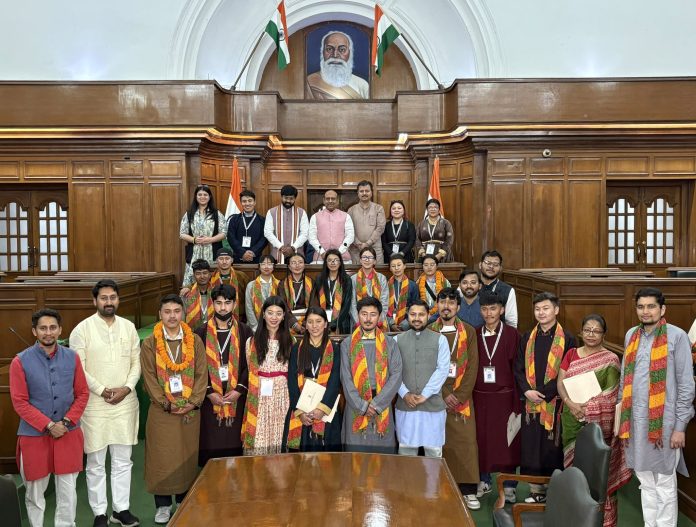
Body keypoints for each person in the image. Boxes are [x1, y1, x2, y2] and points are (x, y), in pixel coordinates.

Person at [618, 288, 695, 527]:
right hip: (635, 424)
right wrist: (623, 421)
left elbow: (686, 385)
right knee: (645, 481)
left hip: (664, 424)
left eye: (651, 306)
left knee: (664, 483)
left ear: (662, 309)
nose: (645, 311)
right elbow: (624, 382)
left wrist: (680, 426)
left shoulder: (677, 336)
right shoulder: (632, 335)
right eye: (641, 307)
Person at [69, 280, 141, 527]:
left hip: (125, 403)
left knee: (123, 460)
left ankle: (121, 510)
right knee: (96, 462)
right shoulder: (81, 330)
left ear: (118, 300)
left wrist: (127, 388)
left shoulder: (129, 327)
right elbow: (79, 368)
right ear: (95, 301)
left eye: (113, 297)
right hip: (95, 405)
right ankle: (100, 513)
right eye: (104, 298)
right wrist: (102, 390)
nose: (109, 302)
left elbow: (136, 363)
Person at [10, 309, 89, 527]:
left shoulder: (72, 357)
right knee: (35, 493)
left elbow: (82, 394)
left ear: (60, 330)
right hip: (33, 436)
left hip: (68, 433)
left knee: (68, 491)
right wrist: (48, 425)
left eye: (52, 327)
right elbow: (19, 402)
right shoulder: (20, 361)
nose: (48, 332)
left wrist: (64, 423)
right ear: (34, 331)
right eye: (43, 328)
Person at [558, 314, 631, 527]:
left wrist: (588, 409)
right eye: (587, 330)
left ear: (603, 334)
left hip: (597, 427)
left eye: (596, 331)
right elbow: (561, 383)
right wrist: (570, 404)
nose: (591, 334)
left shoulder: (610, 359)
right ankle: (574, 518)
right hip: (571, 420)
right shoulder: (571, 354)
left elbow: (612, 396)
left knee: (599, 476)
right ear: (581, 331)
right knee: (573, 471)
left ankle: (602, 521)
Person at [140, 294, 207, 524]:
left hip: (190, 410)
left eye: (176, 311)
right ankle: (162, 505)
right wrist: (166, 403)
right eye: (167, 311)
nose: (172, 316)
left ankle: (183, 500)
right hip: (162, 412)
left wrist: (193, 401)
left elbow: (201, 374)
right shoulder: (150, 343)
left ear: (183, 313)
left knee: (186, 456)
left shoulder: (194, 341)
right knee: (161, 457)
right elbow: (149, 378)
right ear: (160, 314)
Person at [514, 292, 575, 504]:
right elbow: (518, 368)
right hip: (531, 403)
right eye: (538, 309)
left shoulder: (568, 339)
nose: (541, 313)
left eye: (546, 308)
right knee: (532, 448)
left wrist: (546, 393)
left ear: (556, 310)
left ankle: (555, 491)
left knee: (552, 448)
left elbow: (568, 371)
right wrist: (527, 391)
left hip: (555, 403)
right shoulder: (527, 337)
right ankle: (535, 490)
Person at [429, 288, 480, 510]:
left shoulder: (468, 331)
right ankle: (440, 486)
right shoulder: (430, 331)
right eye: (442, 301)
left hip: (462, 398)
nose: (446, 306)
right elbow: (426, 368)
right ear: (437, 305)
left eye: (451, 302)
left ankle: (468, 490)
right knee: (438, 444)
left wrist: (458, 396)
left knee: (465, 443)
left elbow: (473, 368)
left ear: (458, 307)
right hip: (435, 396)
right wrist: (443, 394)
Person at [194, 284, 253, 464]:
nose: (223, 308)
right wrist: (210, 392)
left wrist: (238, 390)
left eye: (227, 303)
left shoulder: (245, 331)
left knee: (234, 447)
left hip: (237, 397)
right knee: (211, 445)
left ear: (234, 305)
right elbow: (197, 367)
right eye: (218, 303)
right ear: (213, 304)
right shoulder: (200, 333)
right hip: (210, 399)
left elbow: (250, 365)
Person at [472, 291, 521, 504]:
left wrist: (517, 401)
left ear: (501, 310)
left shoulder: (513, 335)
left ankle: (509, 485)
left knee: (508, 442)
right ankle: (484, 480)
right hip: (480, 398)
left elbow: (519, 370)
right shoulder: (474, 333)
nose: (488, 313)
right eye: (484, 308)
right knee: (481, 441)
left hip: (505, 396)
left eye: (493, 308)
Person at [341, 297, 402, 453]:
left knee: (383, 458)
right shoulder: (347, 344)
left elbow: (396, 375)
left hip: (382, 402)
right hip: (356, 405)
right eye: (364, 314)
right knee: (355, 456)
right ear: (358, 315)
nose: (368, 319)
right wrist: (362, 406)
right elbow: (345, 378)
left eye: (373, 314)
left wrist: (376, 405)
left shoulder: (390, 343)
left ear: (380, 316)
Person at [394, 300, 450, 458]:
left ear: (428, 316)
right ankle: (407, 484)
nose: (417, 318)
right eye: (413, 314)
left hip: (432, 406)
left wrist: (425, 395)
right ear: (407, 317)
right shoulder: (397, 340)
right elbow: (393, 372)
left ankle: (433, 484)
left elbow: (443, 369)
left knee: (433, 452)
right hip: (406, 405)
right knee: (406, 451)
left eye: (421, 314)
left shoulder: (440, 340)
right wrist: (405, 394)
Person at [241, 296, 294, 455]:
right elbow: (249, 368)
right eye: (270, 313)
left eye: (278, 313)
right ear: (263, 314)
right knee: (258, 437)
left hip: (282, 396)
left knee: (279, 438)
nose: (274, 317)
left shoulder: (291, 341)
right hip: (259, 396)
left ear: (284, 316)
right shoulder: (252, 341)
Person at [284, 307, 342, 451]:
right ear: (305, 325)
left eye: (318, 321)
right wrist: (300, 412)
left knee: (327, 459)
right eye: (310, 322)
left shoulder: (335, 349)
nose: (314, 326)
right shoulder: (297, 348)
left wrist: (322, 409)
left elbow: (335, 381)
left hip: (326, 409)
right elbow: (292, 381)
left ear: (326, 324)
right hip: (303, 407)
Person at [179, 184, 227, 287]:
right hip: (194, 252)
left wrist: (211, 239)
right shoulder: (189, 213)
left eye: (205, 194)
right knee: (191, 282)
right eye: (199, 194)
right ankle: (192, 302)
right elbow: (182, 233)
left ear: (209, 197)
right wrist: (194, 239)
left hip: (212, 251)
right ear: (196, 197)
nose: (202, 197)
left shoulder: (216, 213)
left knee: (212, 280)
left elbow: (224, 233)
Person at [180, 249, 241, 321]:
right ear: (216, 260)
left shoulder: (241, 276)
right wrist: (188, 287)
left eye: (227, 258)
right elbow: (199, 283)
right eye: (221, 259)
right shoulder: (213, 278)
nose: (202, 276)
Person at [306, 30, 369, 100]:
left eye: (342, 49)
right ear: (323, 52)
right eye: (329, 49)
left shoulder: (362, 85)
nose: (335, 55)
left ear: (349, 53)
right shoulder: (309, 82)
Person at [309, 249, 353, 334]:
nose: (333, 263)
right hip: (321, 319)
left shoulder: (346, 280)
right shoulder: (320, 279)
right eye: (329, 260)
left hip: (341, 321)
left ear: (340, 263)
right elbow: (314, 301)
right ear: (326, 263)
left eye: (336, 260)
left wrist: (335, 323)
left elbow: (347, 305)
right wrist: (320, 319)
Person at [264, 185, 309, 264]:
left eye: (291, 198)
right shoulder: (271, 212)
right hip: (276, 255)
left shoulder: (302, 212)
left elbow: (305, 233)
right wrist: (281, 247)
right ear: (281, 197)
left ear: (295, 198)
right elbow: (268, 233)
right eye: (286, 198)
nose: (288, 200)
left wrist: (293, 247)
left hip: (297, 254)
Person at [308, 189, 355, 263]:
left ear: (337, 201)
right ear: (324, 200)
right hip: (320, 258)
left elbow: (350, 236)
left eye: (333, 199)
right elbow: (312, 237)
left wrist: (339, 252)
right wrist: (323, 253)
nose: (330, 201)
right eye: (327, 199)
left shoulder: (346, 216)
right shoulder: (315, 217)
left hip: (342, 258)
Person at [347, 180, 386, 263]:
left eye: (367, 191)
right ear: (358, 193)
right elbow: (348, 229)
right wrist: (358, 243)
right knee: (357, 275)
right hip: (356, 250)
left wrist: (368, 243)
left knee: (377, 274)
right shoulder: (351, 210)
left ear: (371, 193)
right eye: (361, 191)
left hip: (375, 249)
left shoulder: (378, 208)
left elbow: (380, 228)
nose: (364, 193)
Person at [350, 246, 389, 326]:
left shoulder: (381, 278)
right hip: (358, 321)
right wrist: (359, 321)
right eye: (364, 257)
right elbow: (352, 303)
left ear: (374, 261)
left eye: (370, 257)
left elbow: (384, 302)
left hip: (379, 321)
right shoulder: (353, 279)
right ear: (360, 260)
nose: (367, 260)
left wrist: (379, 320)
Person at [479, 250, 518, 328]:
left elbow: (511, 322)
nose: (491, 267)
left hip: (497, 335)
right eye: (488, 263)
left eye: (495, 264)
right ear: (480, 265)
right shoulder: (468, 285)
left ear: (500, 268)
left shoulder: (508, 290)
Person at [226, 189, 267, 263]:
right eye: (244, 201)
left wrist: (252, 252)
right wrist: (242, 253)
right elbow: (231, 237)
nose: (247, 204)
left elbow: (264, 239)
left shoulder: (262, 220)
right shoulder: (234, 219)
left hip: (256, 258)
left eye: (250, 201)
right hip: (238, 258)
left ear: (254, 202)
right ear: (241, 203)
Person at [278, 253, 313, 335]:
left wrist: (305, 323)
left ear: (304, 265)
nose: (297, 265)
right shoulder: (283, 284)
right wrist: (294, 324)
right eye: (293, 263)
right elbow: (282, 305)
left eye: (300, 262)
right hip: (288, 320)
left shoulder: (311, 282)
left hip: (308, 321)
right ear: (289, 267)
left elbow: (313, 304)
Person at [244, 254, 280, 332]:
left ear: (274, 267)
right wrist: (255, 327)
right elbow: (248, 307)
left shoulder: (279, 285)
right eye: (263, 264)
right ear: (259, 266)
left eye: (269, 264)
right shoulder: (251, 285)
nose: (266, 267)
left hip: (276, 326)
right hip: (254, 326)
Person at [386, 253, 419, 331]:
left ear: (404, 266)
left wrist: (405, 324)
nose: (396, 268)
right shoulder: (386, 285)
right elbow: (383, 306)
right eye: (393, 266)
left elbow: (415, 307)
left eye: (399, 265)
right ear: (390, 268)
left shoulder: (413, 285)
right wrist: (391, 323)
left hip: (408, 324)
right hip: (389, 323)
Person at [415, 198, 454, 262]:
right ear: (427, 210)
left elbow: (449, 239)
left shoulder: (446, 223)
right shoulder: (421, 223)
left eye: (435, 207)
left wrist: (440, 254)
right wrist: (422, 253)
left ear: (439, 210)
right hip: (425, 255)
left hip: (443, 256)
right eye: (430, 207)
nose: (433, 209)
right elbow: (417, 239)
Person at [182, 259, 214, 331]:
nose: (202, 276)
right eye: (198, 273)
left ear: (209, 275)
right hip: (192, 333)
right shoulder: (186, 295)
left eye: (205, 273)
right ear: (194, 276)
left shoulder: (217, 293)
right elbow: (182, 319)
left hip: (213, 333)